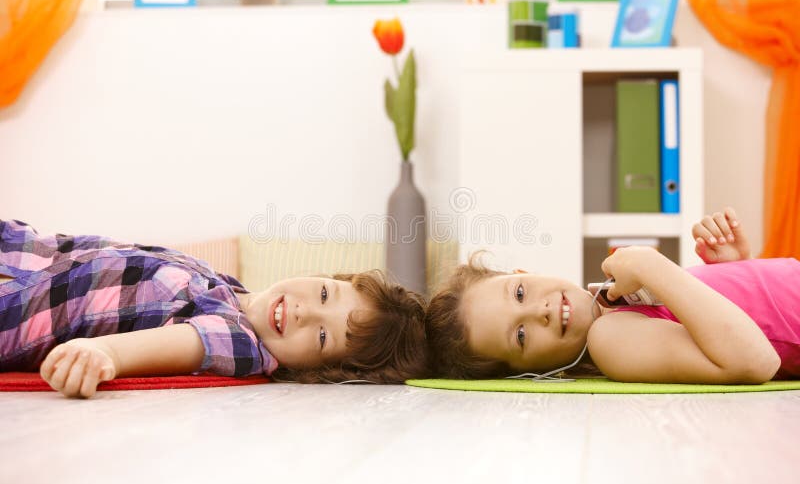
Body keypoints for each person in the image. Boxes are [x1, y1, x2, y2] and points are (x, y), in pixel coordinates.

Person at [0, 219, 428, 398]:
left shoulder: (241, 342)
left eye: (321, 336)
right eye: (322, 295)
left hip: (15, 315)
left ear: (313, 371)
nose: (303, 313)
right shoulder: (226, 286)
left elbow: (183, 343)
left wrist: (107, 354)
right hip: (24, 254)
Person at [425, 207, 799, 384]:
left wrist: (738, 267)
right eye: (520, 336)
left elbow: (753, 326)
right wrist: (652, 265)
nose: (539, 311)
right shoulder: (611, 340)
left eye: (520, 293)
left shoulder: (617, 302)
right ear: (531, 371)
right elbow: (757, 360)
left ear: (524, 273)